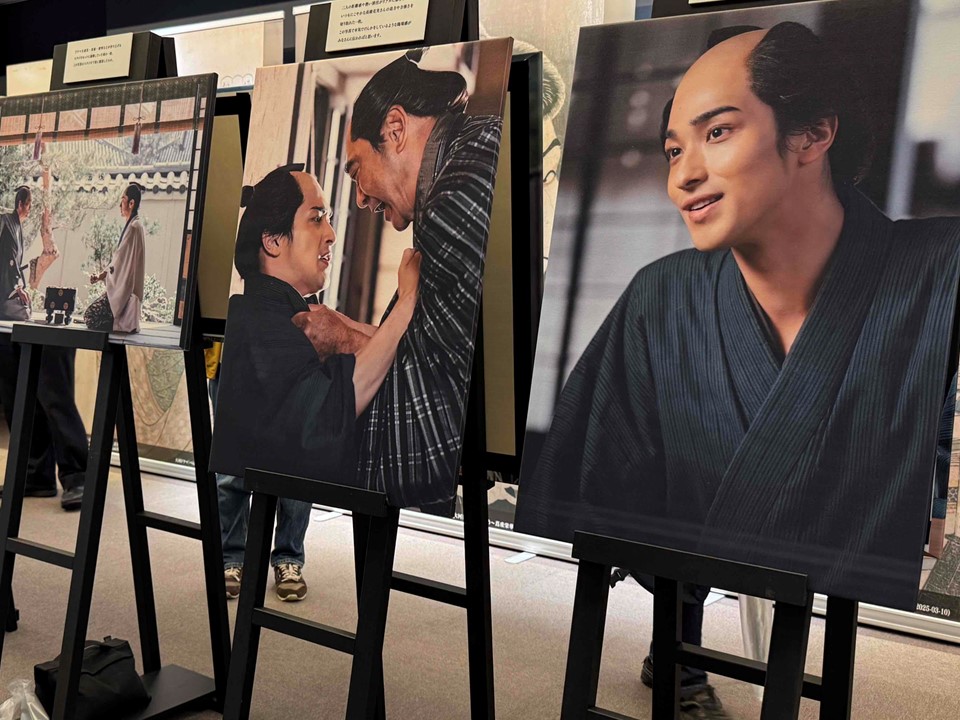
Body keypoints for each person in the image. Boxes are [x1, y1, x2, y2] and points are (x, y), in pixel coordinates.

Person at [515, 22, 960, 719]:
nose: (683, 174)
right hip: (689, 547)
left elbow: (934, 396)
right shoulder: (661, 293)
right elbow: (599, 470)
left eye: (716, 132)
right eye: (673, 149)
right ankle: (678, 659)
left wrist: (932, 501)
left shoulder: (935, 265)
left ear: (813, 133)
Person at [208, 165, 420, 601]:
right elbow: (340, 403)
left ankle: (287, 556)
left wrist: (349, 330)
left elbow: (351, 352)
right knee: (237, 478)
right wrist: (408, 303)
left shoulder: (288, 312)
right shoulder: (266, 326)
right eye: (315, 217)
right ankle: (235, 556)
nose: (331, 234)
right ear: (272, 240)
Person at [344, 49, 503, 509]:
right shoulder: (466, 151)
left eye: (357, 170)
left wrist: (343, 336)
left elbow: (426, 381)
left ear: (394, 130)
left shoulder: (451, 203)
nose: (359, 198)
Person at [0, 185, 89, 511]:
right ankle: (35, 475)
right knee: (17, 402)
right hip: (7, 322)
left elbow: (14, 269)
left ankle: (77, 475)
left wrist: (20, 288)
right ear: (23, 204)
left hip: (24, 318)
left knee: (54, 398)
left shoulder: (18, 227)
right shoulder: (8, 224)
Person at [84, 183, 146, 333]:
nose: (120, 204)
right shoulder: (135, 225)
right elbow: (119, 263)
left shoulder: (133, 228)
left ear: (131, 203)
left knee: (90, 316)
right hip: (124, 288)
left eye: (123, 199)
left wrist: (101, 276)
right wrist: (101, 276)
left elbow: (119, 264)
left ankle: (117, 322)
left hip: (124, 293)